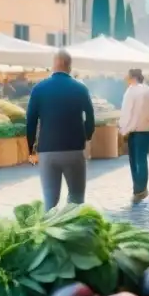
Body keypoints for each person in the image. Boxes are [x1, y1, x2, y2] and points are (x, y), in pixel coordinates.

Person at [26, 50, 95, 211]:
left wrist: (31, 148)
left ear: (54, 64)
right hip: (74, 150)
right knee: (76, 199)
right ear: (69, 66)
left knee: (50, 201)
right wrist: (86, 136)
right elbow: (90, 117)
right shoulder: (80, 88)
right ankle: (74, 233)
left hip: (47, 151)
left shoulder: (39, 89)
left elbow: (30, 121)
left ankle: (50, 233)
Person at [119, 68, 149, 203]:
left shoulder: (131, 91)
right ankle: (141, 189)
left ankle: (139, 190)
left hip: (135, 130)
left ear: (132, 77)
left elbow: (127, 112)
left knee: (135, 161)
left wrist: (123, 130)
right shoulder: (148, 90)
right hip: (148, 129)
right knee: (141, 160)